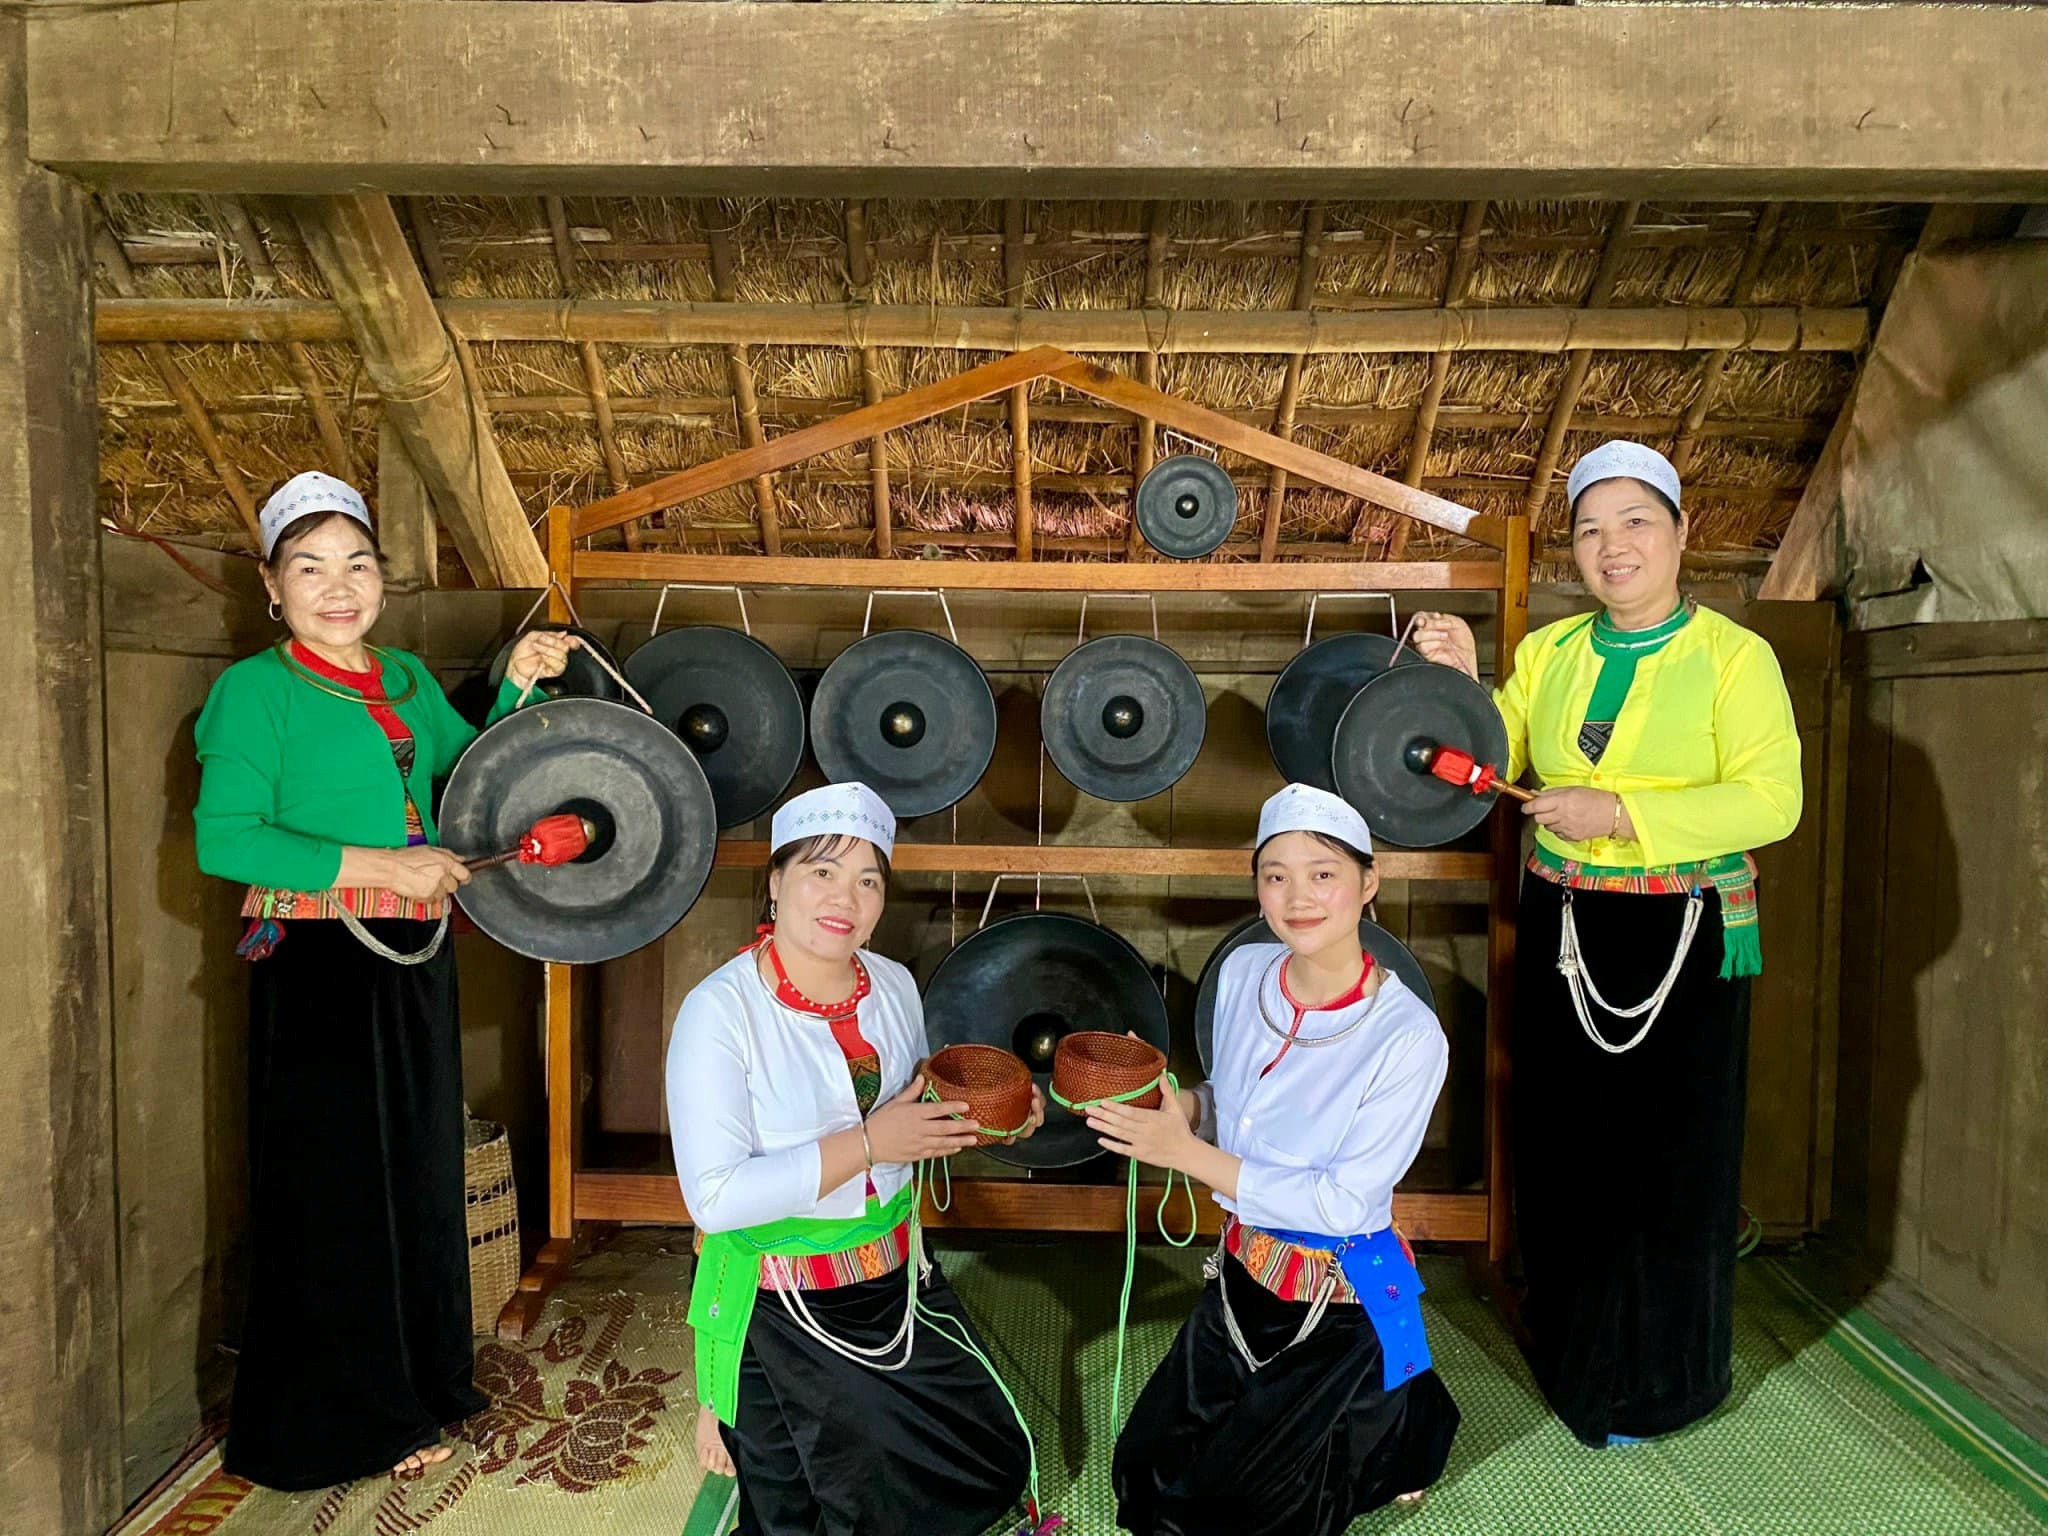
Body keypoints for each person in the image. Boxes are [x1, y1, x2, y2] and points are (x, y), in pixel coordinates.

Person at [1410, 439, 1802, 1447]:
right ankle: (1576, 1357)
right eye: (1589, 528)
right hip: (1562, 924)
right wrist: (1458, 684)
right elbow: (1488, 762)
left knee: (1667, 1161)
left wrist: (1619, 809)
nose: (1611, 544)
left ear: (1679, 534)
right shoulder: (1549, 656)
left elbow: (1773, 800)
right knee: (1566, 1146)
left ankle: (1659, 1384)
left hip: (1684, 935)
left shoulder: (1732, 657)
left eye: (1634, 521)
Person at [194, 471, 577, 1488]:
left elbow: (464, 768)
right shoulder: (253, 692)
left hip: (414, 952)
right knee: (336, 1195)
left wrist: (516, 681)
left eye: (355, 564)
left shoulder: (402, 675)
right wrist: (381, 867)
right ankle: (342, 1422)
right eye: (309, 567)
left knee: (414, 1173)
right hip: (318, 966)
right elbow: (225, 839)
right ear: (272, 588)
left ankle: (422, 1385)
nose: (336, 587)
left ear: (382, 579)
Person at [670, 782, 1045, 1536]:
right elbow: (714, 1199)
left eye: (868, 879)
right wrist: (872, 1144)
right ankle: (742, 1424)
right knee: (815, 1508)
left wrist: (994, 1116)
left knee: (989, 1453)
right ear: (775, 883)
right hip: (784, 1303)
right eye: (821, 872)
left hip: (899, 1278)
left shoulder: (895, 985)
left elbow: (914, 1103)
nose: (847, 897)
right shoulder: (720, 1012)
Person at [1094, 783, 1460, 1536]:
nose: (1297, 897)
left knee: (1228, 1521)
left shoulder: (1408, 1036)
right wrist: (1184, 1110)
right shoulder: (1242, 974)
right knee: (1142, 1479)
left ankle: (1399, 1420)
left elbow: (1343, 1204)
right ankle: (1390, 1404)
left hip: (1336, 1298)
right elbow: (1233, 1098)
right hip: (1241, 1277)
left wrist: (1186, 1156)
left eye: (1323, 874)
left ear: (1368, 882)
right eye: (1275, 874)